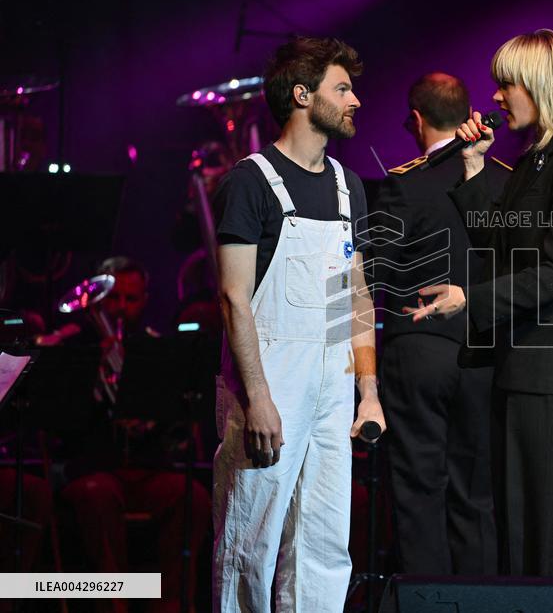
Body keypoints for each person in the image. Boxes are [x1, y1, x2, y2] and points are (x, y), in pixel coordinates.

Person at [408, 29, 553, 577]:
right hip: (521, 361)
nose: (494, 97)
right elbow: (501, 247)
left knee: (542, 533)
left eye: (507, 85)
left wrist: (467, 301)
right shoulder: (537, 159)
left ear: (541, 86)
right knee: (517, 530)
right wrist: (475, 166)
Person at [212, 36, 385, 611]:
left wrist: (368, 392)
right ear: (302, 95)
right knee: (250, 542)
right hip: (270, 381)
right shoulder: (251, 181)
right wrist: (258, 399)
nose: (355, 98)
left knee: (326, 544)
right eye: (343, 88)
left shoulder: (347, 185)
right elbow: (235, 298)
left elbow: (353, 293)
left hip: (333, 386)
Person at [371, 73, 498, 574]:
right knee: (476, 494)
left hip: (420, 350)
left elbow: (371, 271)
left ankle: (429, 602)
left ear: (416, 119)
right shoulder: (503, 176)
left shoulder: (405, 180)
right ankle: (484, 609)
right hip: (485, 350)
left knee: (420, 491)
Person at [55, 256, 211, 613]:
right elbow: (62, 424)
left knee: (193, 497)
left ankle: (170, 602)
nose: (121, 308)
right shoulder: (76, 350)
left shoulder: (156, 348)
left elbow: (177, 424)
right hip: (95, 465)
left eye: (131, 299)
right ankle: (114, 603)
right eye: (113, 299)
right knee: (96, 495)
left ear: (145, 300)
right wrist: (93, 383)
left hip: (147, 465)